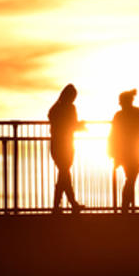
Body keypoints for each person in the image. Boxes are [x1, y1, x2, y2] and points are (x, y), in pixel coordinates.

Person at [109, 89, 139, 214]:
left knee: (130, 178)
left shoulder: (119, 116)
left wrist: (112, 152)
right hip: (134, 152)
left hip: (123, 153)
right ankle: (126, 207)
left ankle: (127, 207)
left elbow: (112, 135)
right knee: (131, 179)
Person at [48, 84, 87, 214]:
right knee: (64, 173)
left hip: (56, 145)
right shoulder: (70, 108)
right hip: (65, 145)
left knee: (63, 174)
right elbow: (72, 125)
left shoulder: (55, 109)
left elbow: (59, 123)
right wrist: (81, 126)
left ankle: (61, 205)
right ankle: (70, 204)